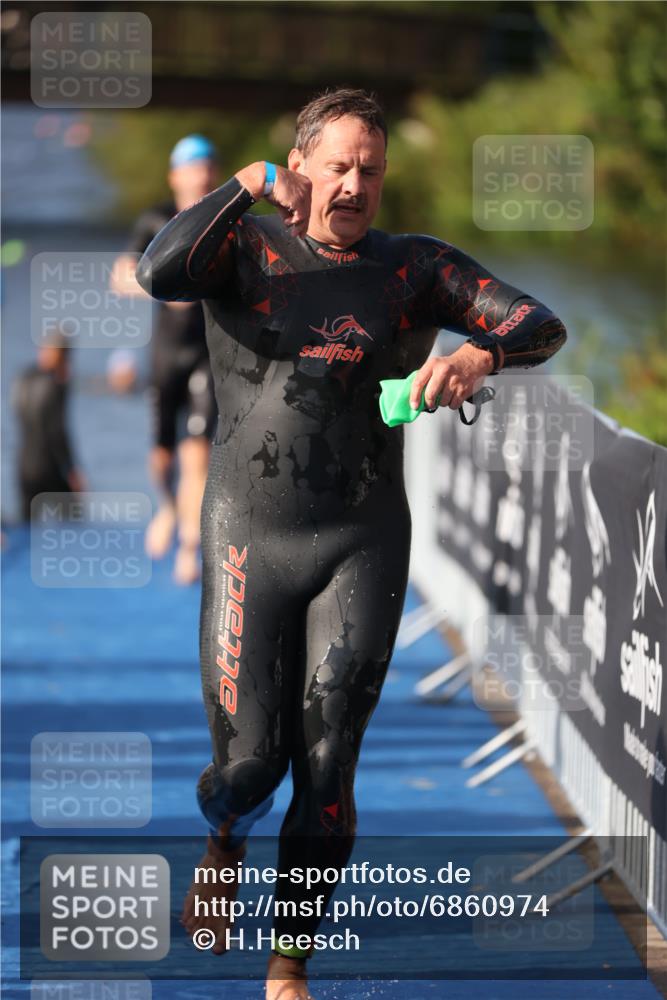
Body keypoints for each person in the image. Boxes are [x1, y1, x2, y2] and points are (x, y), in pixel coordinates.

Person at [136, 89, 567, 999]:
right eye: (337, 166)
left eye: (369, 170)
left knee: (328, 770)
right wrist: (247, 183)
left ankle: (287, 965)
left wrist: (476, 355)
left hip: (360, 542)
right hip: (248, 537)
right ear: (300, 165)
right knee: (247, 768)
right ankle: (223, 838)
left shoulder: (413, 270)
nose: (353, 186)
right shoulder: (245, 249)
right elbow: (159, 272)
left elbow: (538, 324)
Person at [110, 135, 219, 584]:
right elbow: (120, 277)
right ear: (175, 176)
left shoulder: (224, 221)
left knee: (197, 454)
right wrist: (162, 288)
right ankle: (168, 508)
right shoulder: (156, 220)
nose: (201, 176)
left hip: (207, 354)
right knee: (162, 458)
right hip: (166, 354)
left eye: (208, 168)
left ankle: (190, 546)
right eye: (193, 168)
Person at [13, 334, 85, 521]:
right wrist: (72, 470)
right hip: (49, 467)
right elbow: (57, 431)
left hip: (24, 466)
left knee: (26, 526)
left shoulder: (23, 379)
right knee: (73, 520)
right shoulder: (56, 383)